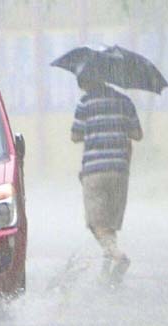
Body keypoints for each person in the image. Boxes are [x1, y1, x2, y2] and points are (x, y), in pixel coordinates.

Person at [71, 76, 143, 286]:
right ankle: (106, 270)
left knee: (96, 222)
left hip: (94, 170)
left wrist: (94, 129)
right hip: (120, 170)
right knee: (109, 222)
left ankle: (117, 255)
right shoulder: (124, 101)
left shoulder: (85, 103)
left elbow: (75, 136)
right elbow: (137, 134)